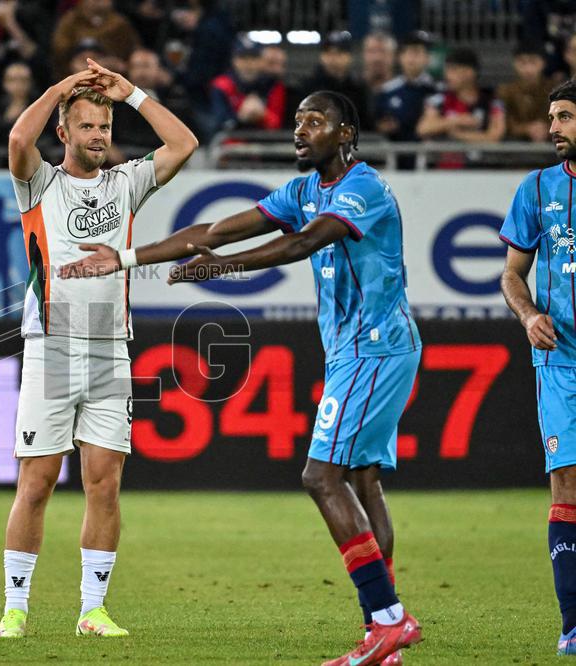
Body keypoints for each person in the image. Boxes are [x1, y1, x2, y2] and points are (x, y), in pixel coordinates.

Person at [63, 90, 422, 665]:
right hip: (358, 351)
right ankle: (384, 630)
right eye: (297, 121)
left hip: (375, 349)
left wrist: (222, 267)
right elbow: (218, 229)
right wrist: (127, 257)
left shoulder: (364, 189)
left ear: (346, 134)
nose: (300, 130)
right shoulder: (305, 189)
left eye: (316, 121)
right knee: (360, 479)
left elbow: (302, 243)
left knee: (321, 477)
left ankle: (387, 618)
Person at [0, 58, 197, 639]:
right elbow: (16, 137)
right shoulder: (39, 182)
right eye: (86, 127)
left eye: (104, 128)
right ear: (65, 133)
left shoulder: (125, 182)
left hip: (111, 348)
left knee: (104, 483)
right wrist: (62, 88)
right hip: (51, 345)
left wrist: (129, 93)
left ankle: (93, 610)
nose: (99, 137)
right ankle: (15, 608)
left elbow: (183, 142)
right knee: (36, 484)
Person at [500, 79, 576, 657]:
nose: (553, 127)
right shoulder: (537, 188)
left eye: (566, 117)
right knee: (566, 484)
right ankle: (573, 622)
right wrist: (528, 316)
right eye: (553, 117)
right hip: (560, 360)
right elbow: (510, 275)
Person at [297, 31, 373, 130]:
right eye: (328, 53)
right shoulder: (308, 88)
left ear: (349, 57)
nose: (333, 58)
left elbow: (366, 125)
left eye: (339, 53)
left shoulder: (358, 89)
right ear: (322, 56)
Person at [210, 37, 286, 132]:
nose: (248, 64)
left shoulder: (273, 85)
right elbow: (219, 123)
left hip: (266, 142)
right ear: (234, 61)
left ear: (261, 61)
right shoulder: (222, 85)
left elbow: (278, 124)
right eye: (243, 58)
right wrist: (240, 117)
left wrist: (263, 114)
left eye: (253, 58)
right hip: (232, 142)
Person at [374, 30, 436, 144]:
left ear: (427, 57)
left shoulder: (437, 89)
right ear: (400, 57)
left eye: (417, 52)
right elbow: (378, 122)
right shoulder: (387, 91)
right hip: (395, 156)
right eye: (406, 52)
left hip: (429, 157)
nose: (411, 58)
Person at [498, 42, 554, 142]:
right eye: (522, 62)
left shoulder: (556, 89)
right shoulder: (505, 91)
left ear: (544, 63)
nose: (528, 69)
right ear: (514, 63)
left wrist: (545, 129)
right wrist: (526, 129)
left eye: (533, 62)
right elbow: (502, 123)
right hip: (512, 146)